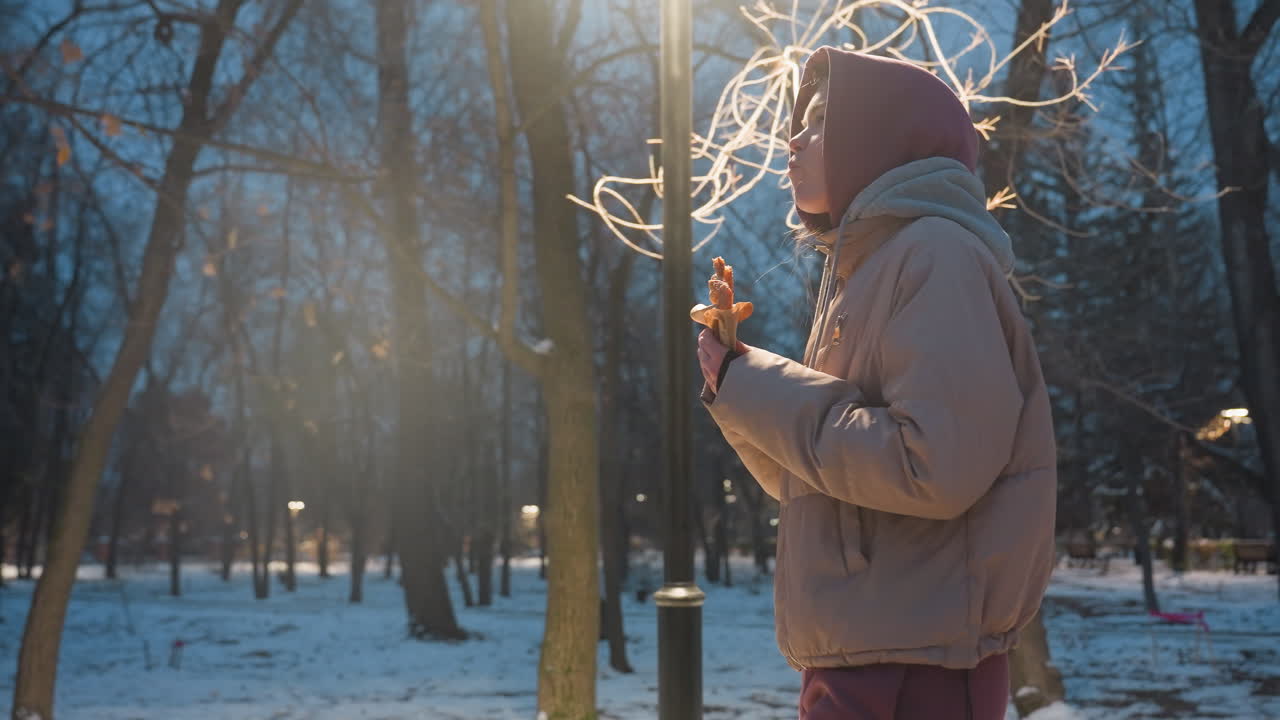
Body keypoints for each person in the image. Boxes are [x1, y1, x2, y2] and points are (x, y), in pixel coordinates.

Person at [696, 47, 1057, 720]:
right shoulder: (868, 274)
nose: (793, 138)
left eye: (822, 120)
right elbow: (815, 481)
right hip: (867, 651)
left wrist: (756, 385)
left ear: (884, 137)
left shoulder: (935, 255)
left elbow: (930, 465)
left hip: (915, 669)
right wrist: (735, 387)